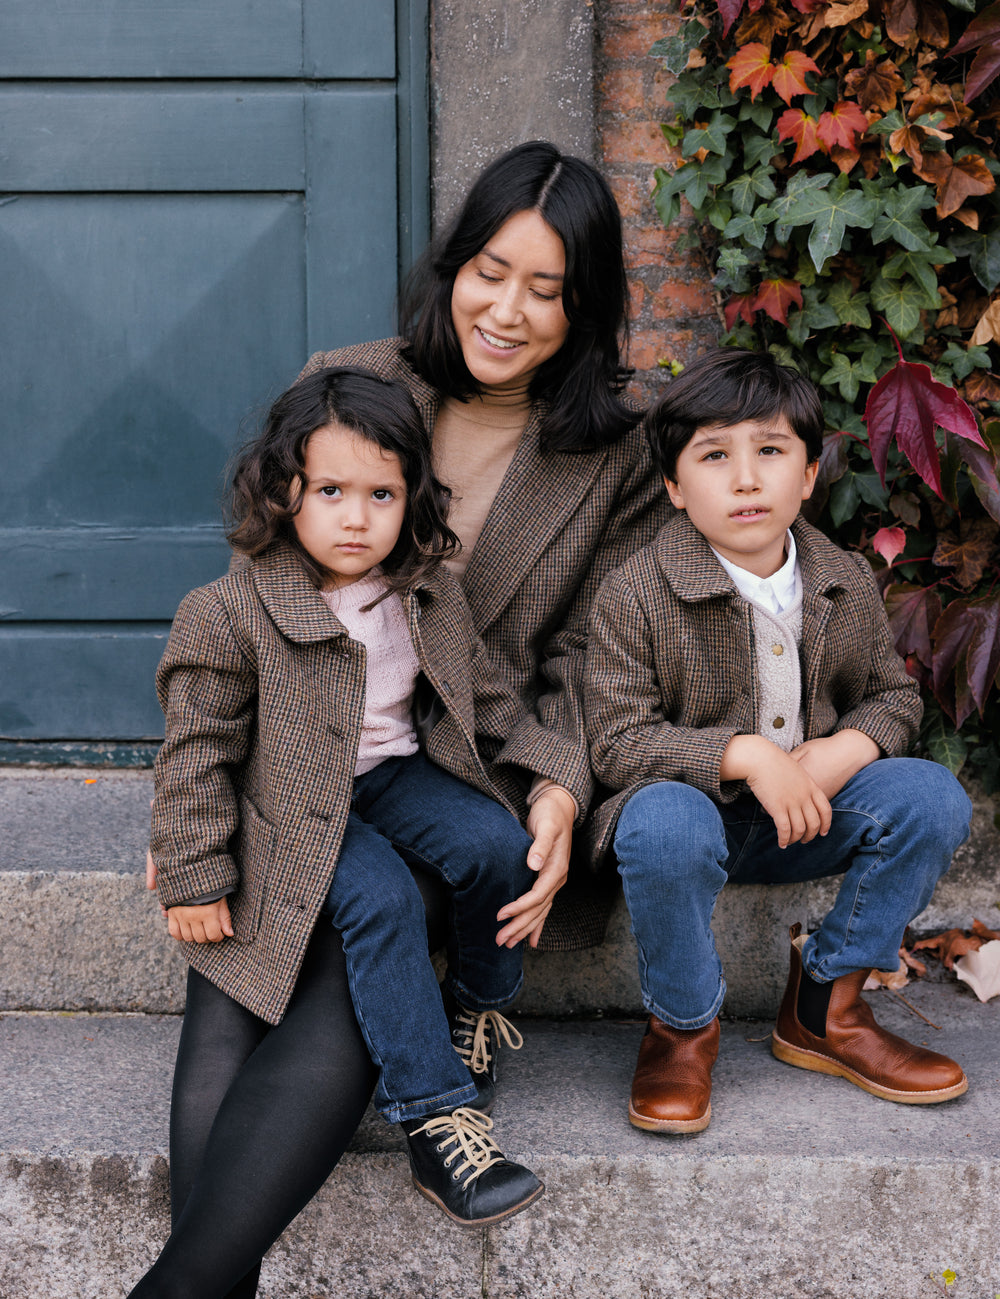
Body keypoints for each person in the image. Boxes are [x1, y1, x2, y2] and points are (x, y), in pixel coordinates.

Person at [136, 140, 669, 1297]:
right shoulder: (352, 379)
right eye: (490, 272)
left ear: (585, 305)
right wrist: (196, 829)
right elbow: (258, 593)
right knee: (241, 971)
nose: (507, 311)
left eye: (546, 288)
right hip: (298, 754)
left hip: (464, 764)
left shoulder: (617, 448)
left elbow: (596, 648)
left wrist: (560, 781)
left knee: (364, 936)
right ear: (452, 267)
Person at [584, 348, 972, 1136]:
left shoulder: (843, 578)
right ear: (673, 487)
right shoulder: (635, 590)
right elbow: (617, 741)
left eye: (770, 450)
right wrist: (746, 754)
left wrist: (843, 750)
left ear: (807, 474)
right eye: (714, 456)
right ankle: (682, 1028)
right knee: (659, 821)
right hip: (692, 824)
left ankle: (827, 1004)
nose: (746, 478)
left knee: (932, 797)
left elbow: (893, 698)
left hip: (810, 815)